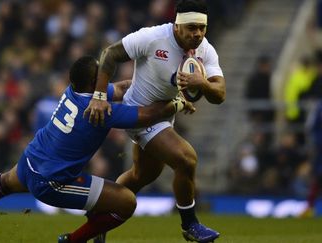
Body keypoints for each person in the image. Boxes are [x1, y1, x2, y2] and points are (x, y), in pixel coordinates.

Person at [0, 56, 195, 243]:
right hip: (52, 181)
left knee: (3, 182)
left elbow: (123, 88)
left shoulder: (74, 91)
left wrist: (146, 84)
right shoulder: (100, 111)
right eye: (101, 74)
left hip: (31, 159)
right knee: (126, 203)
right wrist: (178, 103)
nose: (106, 76)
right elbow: (148, 116)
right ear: (95, 82)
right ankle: (73, 240)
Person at [84, 0, 225, 242]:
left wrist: (202, 84)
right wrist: (98, 96)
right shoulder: (153, 38)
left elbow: (219, 94)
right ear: (177, 25)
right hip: (138, 112)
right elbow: (110, 54)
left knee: (143, 175)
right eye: (191, 28)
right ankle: (190, 225)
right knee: (186, 158)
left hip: (163, 115)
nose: (197, 34)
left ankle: (100, 213)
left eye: (202, 28)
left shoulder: (205, 49)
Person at [300, 100, 322, 217]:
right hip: (320, 147)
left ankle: (309, 207)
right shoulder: (319, 106)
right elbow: (311, 126)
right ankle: (309, 207)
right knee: (318, 176)